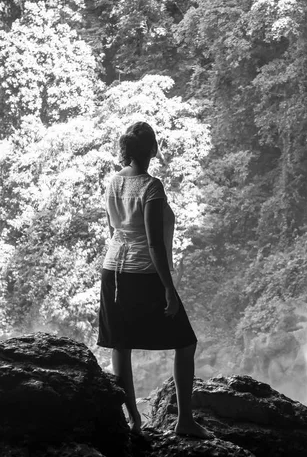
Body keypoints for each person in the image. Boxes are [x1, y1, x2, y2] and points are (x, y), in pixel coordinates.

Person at [97, 121, 211, 438]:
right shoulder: (151, 186)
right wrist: (169, 290)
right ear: (152, 149)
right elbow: (154, 243)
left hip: (112, 271)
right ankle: (184, 421)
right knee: (186, 342)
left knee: (121, 345)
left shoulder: (114, 183)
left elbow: (113, 231)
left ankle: (134, 421)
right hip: (143, 274)